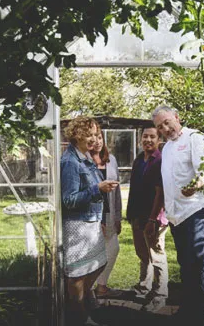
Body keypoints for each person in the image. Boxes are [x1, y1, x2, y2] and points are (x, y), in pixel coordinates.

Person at [152, 105, 204, 325]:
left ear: (177, 117)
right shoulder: (166, 148)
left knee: (198, 264)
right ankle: (187, 311)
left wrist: (197, 184)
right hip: (176, 217)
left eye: (167, 122)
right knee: (185, 266)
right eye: (160, 127)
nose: (165, 128)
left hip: (195, 212)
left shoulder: (195, 138)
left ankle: (201, 316)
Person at [60, 116, 119, 326]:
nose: (95, 138)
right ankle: (79, 317)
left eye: (96, 134)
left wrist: (99, 189)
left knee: (98, 264)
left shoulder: (84, 157)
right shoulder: (70, 162)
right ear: (78, 134)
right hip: (77, 226)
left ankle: (80, 303)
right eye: (90, 134)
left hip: (90, 222)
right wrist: (98, 189)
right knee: (76, 277)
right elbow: (68, 200)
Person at [126, 123, 169, 312]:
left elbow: (160, 193)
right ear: (140, 139)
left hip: (155, 217)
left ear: (159, 140)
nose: (148, 140)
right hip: (138, 215)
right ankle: (144, 287)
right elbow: (134, 190)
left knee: (157, 256)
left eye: (152, 137)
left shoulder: (161, 161)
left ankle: (160, 295)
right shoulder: (139, 160)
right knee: (142, 254)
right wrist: (131, 214)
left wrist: (154, 219)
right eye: (145, 136)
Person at [90, 125, 123, 298]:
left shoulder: (112, 160)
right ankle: (89, 289)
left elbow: (117, 191)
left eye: (100, 138)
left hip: (109, 213)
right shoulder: (84, 162)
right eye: (94, 138)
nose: (97, 142)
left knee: (114, 248)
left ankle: (101, 285)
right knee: (93, 252)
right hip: (91, 216)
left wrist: (118, 216)